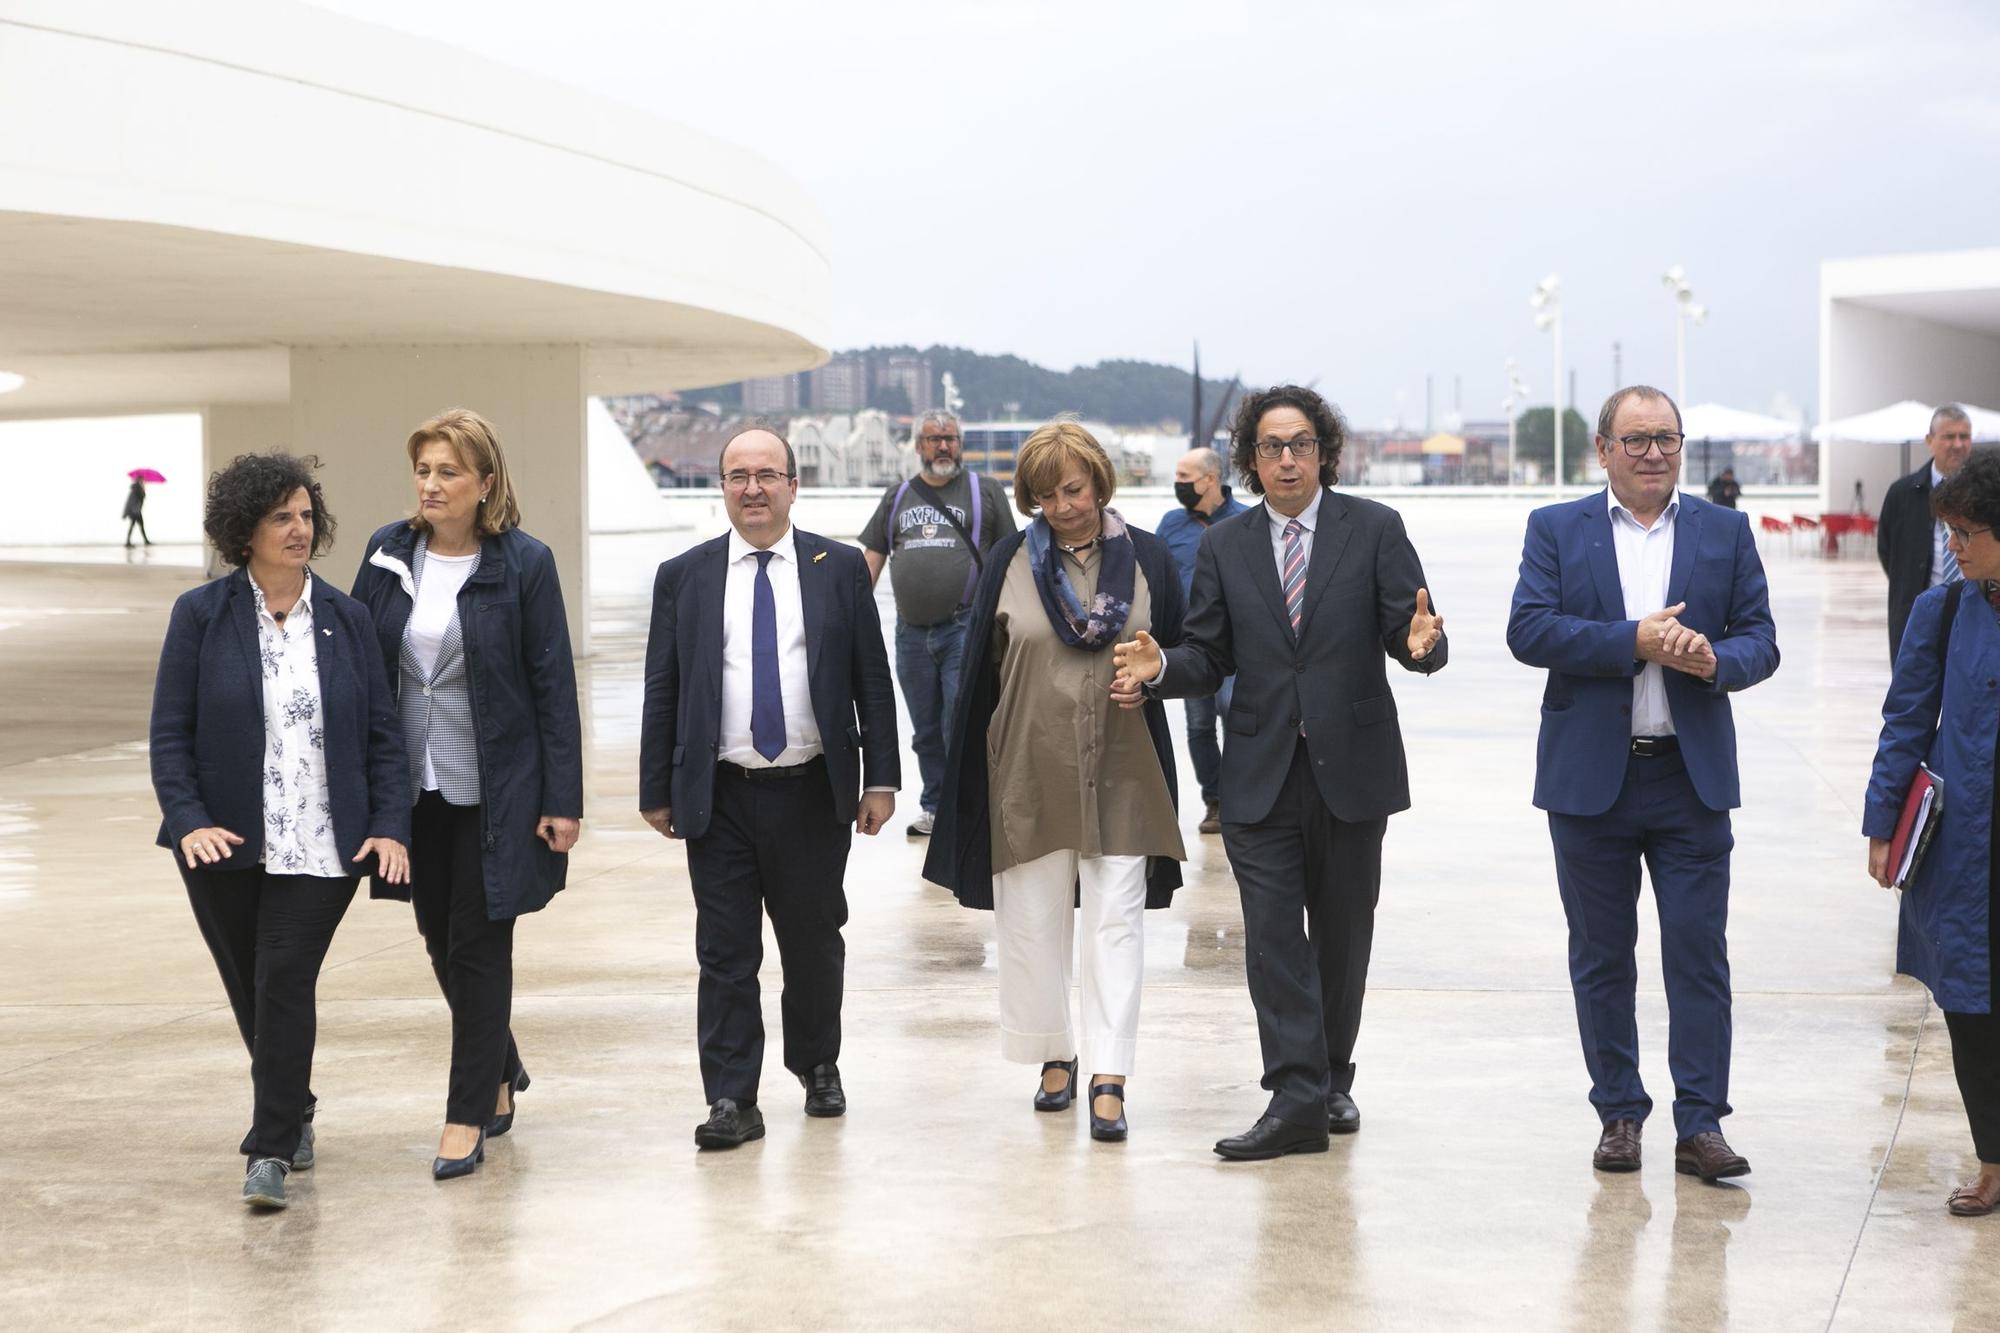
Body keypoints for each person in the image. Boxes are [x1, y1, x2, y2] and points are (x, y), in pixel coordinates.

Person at [1111, 384, 1447, 1161]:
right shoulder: (1226, 546)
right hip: (1260, 770)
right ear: (1250, 459)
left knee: (1342, 935)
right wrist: (1164, 666)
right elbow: (1210, 653)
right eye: (1271, 446)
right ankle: (1296, 1094)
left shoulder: (1375, 528)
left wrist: (1425, 646)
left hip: (1352, 769)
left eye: (1300, 444)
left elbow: (1411, 628)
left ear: (1323, 450)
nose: (1287, 458)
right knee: (1270, 937)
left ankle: (1331, 1076)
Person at [1506, 385, 1779, 1182]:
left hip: (1689, 781)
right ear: (1603, 449)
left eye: (1666, 437)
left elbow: (1761, 636)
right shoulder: (1557, 528)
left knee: (1699, 955)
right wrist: (1635, 639)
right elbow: (1530, 628)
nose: (1653, 452)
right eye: (1636, 439)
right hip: (1592, 781)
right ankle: (1619, 1113)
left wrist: (1716, 661)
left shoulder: (1724, 531)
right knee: (1602, 956)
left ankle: (1701, 1124)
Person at [149, 452, 410, 1210]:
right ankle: (293, 1106)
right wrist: (188, 819)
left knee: (283, 976)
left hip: (324, 841)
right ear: (244, 532)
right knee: (250, 988)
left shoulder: (347, 618)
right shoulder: (199, 616)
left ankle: (268, 1149)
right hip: (222, 842)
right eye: (280, 518)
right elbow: (170, 733)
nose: (300, 529)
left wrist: (391, 824)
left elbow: (382, 736)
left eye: (305, 514)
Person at [925, 421, 1185, 1143]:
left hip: (1126, 766)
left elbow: (1189, 651)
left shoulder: (1151, 560)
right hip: (1027, 763)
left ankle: (1109, 1073)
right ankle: (1053, 1051)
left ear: (1100, 481)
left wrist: (1158, 668)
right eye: (1044, 495)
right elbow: (980, 669)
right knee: (1033, 919)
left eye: (1072, 489)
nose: (1061, 506)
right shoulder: (1010, 557)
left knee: (1115, 921)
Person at [640, 425, 899, 1150]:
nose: (752, 487)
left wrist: (880, 778)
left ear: (793, 484)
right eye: (737, 475)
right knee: (725, 951)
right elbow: (663, 687)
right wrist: (654, 786)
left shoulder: (839, 567)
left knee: (814, 940)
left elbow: (871, 683)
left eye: (766, 474)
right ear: (720, 486)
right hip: (718, 794)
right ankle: (731, 1096)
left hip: (812, 790)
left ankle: (817, 1063)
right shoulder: (684, 576)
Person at [350, 408, 583, 1181]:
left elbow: (553, 688)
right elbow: (356, 662)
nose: (431, 485)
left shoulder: (524, 563)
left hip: (496, 792)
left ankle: (465, 1112)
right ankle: (500, 1062)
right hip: (409, 791)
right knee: (436, 938)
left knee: (479, 948)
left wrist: (562, 798)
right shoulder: (388, 552)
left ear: (486, 482)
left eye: (448, 471)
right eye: (423, 470)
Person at [1865, 449, 2000, 1217]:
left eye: (1969, 532)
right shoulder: (1942, 611)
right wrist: (1882, 823)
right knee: (1973, 1009)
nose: (1954, 547)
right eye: (1949, 531)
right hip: (1970, 846)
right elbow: (1905, 721)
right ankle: (1992, 1160)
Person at [861, 409, 1017, 837]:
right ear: (918, 446)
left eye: (950, 438)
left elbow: (1013, 558)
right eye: (934, 438)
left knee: (959, 720)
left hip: (965, 627)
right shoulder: (896, 496)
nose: (944, 445)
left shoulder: (984, 492)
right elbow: (870, 559)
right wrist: (844, 616)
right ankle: (934, 806)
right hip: (910, 633)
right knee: (926, 729)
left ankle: (968, 808)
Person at [1156, 447, 1249, 834]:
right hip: (1190, 644)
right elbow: (1157, 576)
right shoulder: (1172, 525)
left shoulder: (1247, 521)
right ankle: (1215, 800)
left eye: (1184, 477)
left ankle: (1243, 799)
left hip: (1238, 643)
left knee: (1233, 713)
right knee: (1197, 727)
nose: (1178, 485)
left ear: (1210, 479)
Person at [1880, 405, 1975, 660]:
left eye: (1964, 436)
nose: (1957, 444)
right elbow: (1887, 549)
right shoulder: (1902, 493)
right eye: (1948, 436)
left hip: (1974, 613)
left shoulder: (1985, 493)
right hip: (1917, 615)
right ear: (1929, 441)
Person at [123, 477, 152, 547]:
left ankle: (145, 541)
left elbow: (142, 497)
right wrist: (143, 489)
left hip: (137, 511)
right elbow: (136, 499)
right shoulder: (136, 488)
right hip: (135, 511)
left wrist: (143, 488)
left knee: (139, 526)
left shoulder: (137, 488)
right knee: (136, 526)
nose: (143, 481)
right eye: (141, 480)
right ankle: (128, 542)